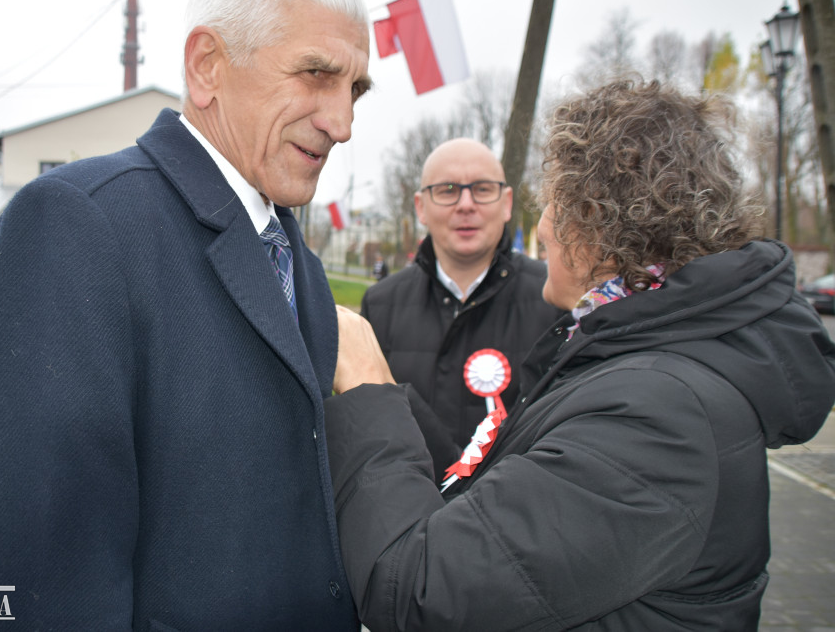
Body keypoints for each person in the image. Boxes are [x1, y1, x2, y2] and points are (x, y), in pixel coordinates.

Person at [324, 79, 835, 630]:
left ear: (601, 224)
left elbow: (420, 591)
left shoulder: (661, 416)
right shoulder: (639, 357)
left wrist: (369, 390)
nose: (541, 226)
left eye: (555, 203)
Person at [0, 0, 371, 629]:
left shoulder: (296, 256)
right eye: (317, 74)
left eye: (355, 89)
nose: (343, 121)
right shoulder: (76, 224)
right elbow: (49, 578)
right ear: (207, 65)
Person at [360, 138, 563, 475]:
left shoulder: (553, 299)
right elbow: (368, 431)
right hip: (406, 511)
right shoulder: (381, 304)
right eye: (447, 189)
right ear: (421, 206)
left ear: (507, 202)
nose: (466, 204)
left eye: (482, 189)